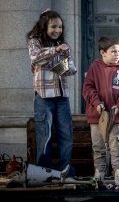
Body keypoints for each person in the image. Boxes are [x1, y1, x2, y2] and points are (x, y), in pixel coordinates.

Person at [26, 9, 77, 177]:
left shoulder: (60, 45)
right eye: (54, 26)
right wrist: (55, 53)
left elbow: (70, 69)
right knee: (45, 136)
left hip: (62, 97)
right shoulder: (35, 41)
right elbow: (35, 58)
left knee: (66, 135)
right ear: (44, 26)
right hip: (44, 97)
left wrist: (62, 61)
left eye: (60, 27)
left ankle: (65, 172)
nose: (58, 30)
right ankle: (43, 175)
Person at [82, 35, 119, 189]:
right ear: (103, 52)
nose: (117, 54)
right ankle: (99, 173)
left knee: (117, 144)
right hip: (97, 116)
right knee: (98, 146)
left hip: (115, 116)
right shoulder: (94, 68)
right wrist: (96, 103)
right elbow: (88, 88)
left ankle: (118, 172)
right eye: (113, 51)